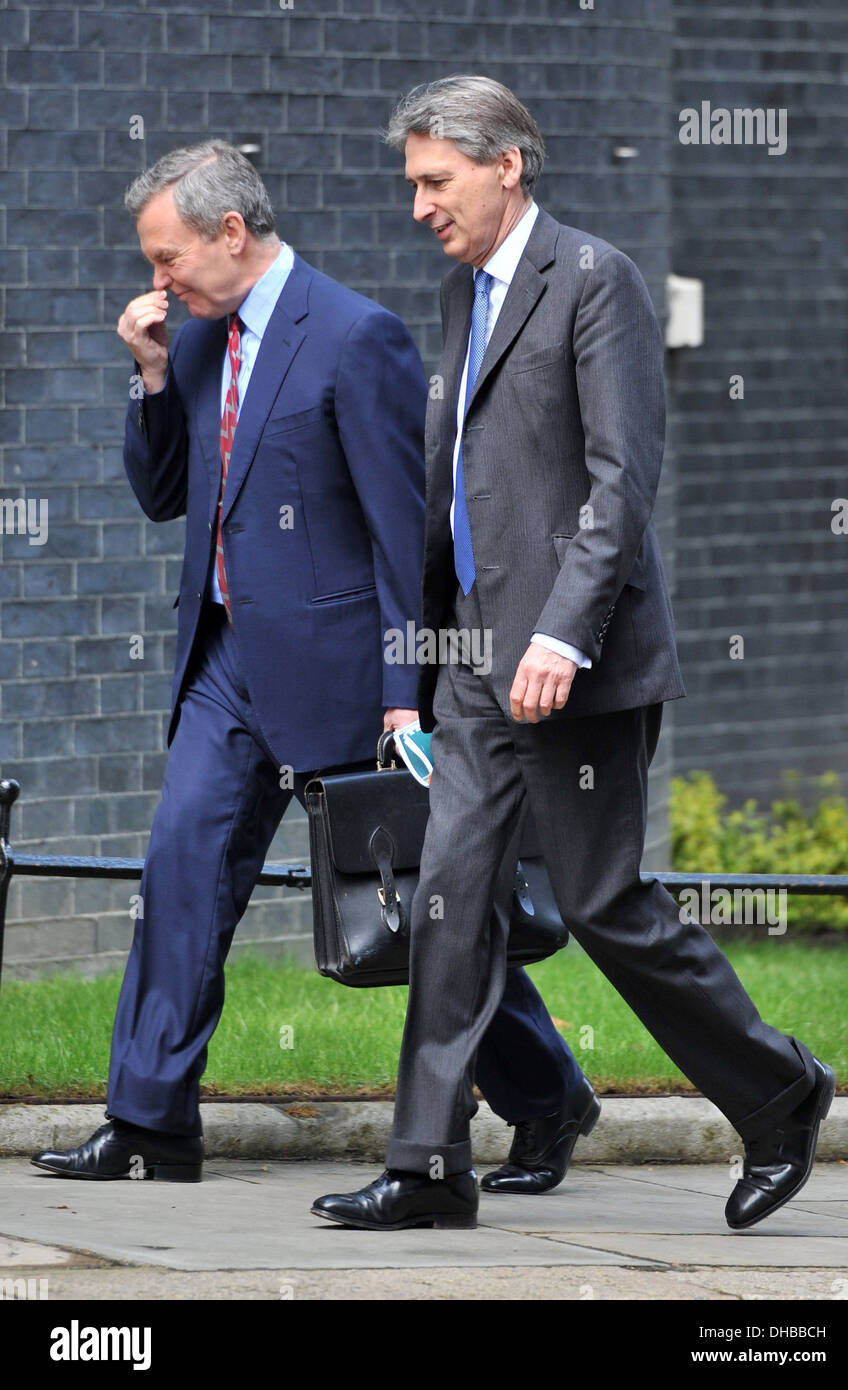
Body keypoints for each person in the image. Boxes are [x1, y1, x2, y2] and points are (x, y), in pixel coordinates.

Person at [312, 76, 834, 1233]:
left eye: (433, 181)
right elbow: (449, 498)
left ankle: (784, 1094)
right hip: (474, 665)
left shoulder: (597, 282)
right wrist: (417, 678)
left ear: (508, 166)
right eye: (411, 184)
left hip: (571, 661)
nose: (417, 206)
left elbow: (620, 482)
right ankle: (429, 1164)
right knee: (449, 898)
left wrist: (560, 630)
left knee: (603, 901)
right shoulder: (462, 296)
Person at [31, 140, 594, 1185]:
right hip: (226, 664)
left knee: (413, 904)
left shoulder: (353, 336)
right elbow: (164, 496)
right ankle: (150, 1119)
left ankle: (550, 1096)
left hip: (345, 676)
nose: (158, 279)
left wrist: (401, 694)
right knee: (179, 873)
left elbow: (404, 535)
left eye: (167, 257)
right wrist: (150, 375)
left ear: (230, 233)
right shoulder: (193, 341)